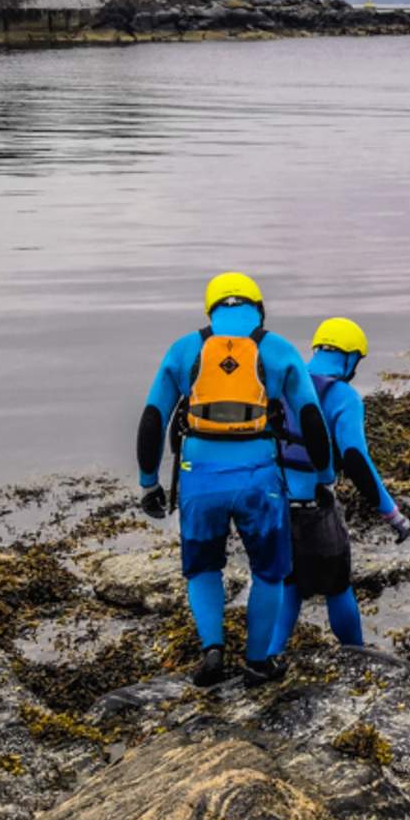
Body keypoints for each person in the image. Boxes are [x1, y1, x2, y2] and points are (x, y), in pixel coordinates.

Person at [136, 272, 333, 688]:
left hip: (199, 479)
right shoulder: (277, 349)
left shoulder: (184, 349)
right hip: (259, 480)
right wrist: (325, 478)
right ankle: (258, 663)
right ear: (258, 308)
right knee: (269, 572)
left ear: (210, 309)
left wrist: (149, 482)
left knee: (202, 568)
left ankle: (212, 649)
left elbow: (153, 417)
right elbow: (311, 417)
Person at [267, 317, 410, 661]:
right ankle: (356, 655)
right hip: (314, 511)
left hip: (274, 507)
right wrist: (393, 515)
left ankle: (270, 657)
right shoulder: (343, 396)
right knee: (337, 587)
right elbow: (355, 460)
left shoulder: (281, 385)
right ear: (349, 358)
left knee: (289, 585)